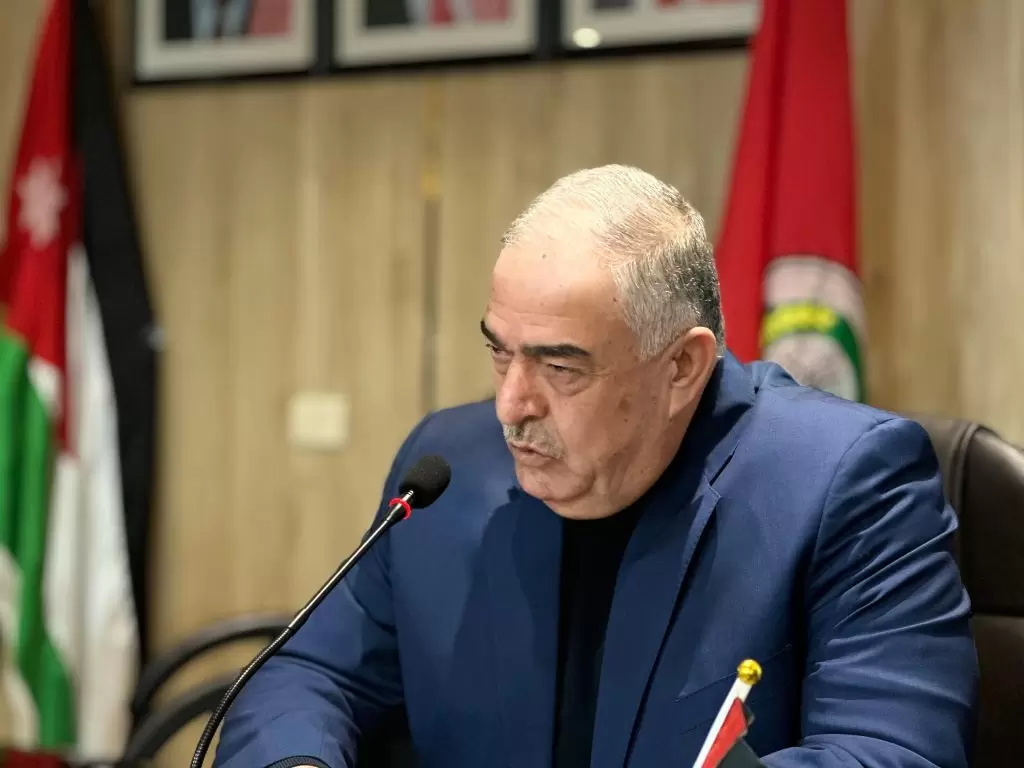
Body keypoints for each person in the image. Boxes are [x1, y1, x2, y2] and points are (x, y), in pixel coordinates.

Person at [213, 165, 978, 768]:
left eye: (560, 367)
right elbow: (308, 674)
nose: (512, 405)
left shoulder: (847, 483)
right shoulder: (448, 470)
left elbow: (893, 753)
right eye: (500, 352)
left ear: (682, 367)